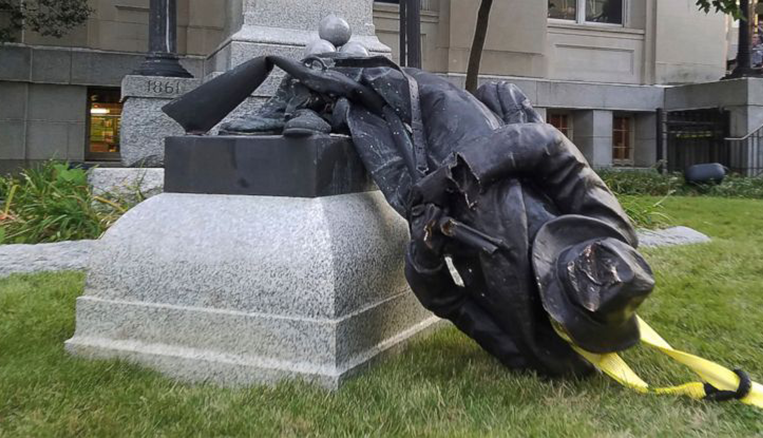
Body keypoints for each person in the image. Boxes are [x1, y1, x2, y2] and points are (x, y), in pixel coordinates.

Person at [163, 54, 655, 377]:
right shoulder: (609, 233)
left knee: (365, 127)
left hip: (428, 209)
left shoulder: (536, 348)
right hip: (483, 149)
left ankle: (322, 103)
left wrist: (423, 252)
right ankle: (309, 84)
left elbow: (452, 304)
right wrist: (465, 169)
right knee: (399, 84)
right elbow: (550, 147)